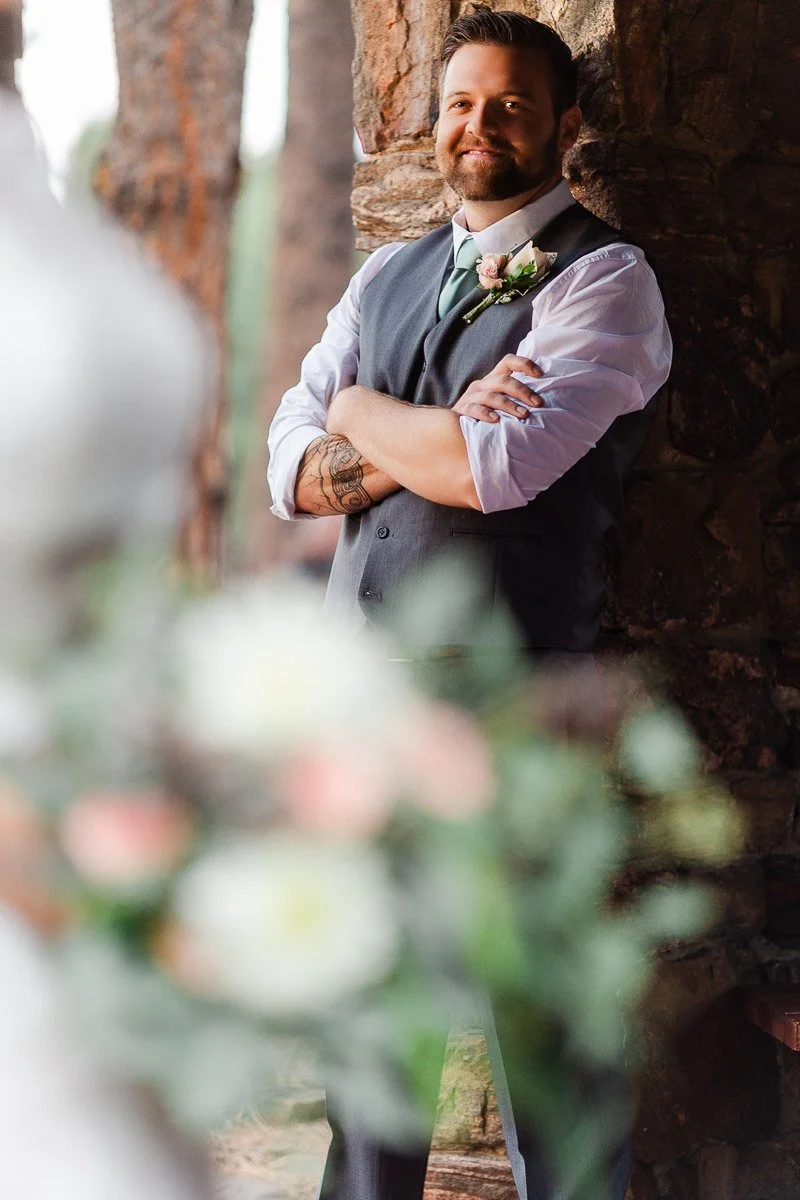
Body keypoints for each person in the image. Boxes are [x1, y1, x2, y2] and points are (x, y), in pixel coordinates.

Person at [268, 8, 671, 1197]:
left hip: (516, 713)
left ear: (563, 124)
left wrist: (355, 416)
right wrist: (387, 431)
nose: (477, 125)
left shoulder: (607, 281)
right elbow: (283, 473)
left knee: (540, 1036)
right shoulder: (384, 275)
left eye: (508, 104)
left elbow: (489, 472)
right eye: (458, 102)